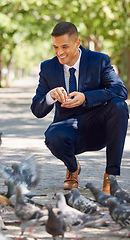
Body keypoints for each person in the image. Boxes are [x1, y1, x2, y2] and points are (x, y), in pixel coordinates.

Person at [31, 21, 129, 194]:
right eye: (55, 47)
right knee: (52, 136)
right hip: (68, 131)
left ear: (78, 43)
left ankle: (110, 177)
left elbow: (120, 91)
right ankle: (73, 168)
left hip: (99, 127)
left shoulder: (99, 61)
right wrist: (50, 96)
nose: (60, 52)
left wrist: (87, 97)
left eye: (64, 47)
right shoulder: (47, 68)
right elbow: (37, 110)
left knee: (119, 105)